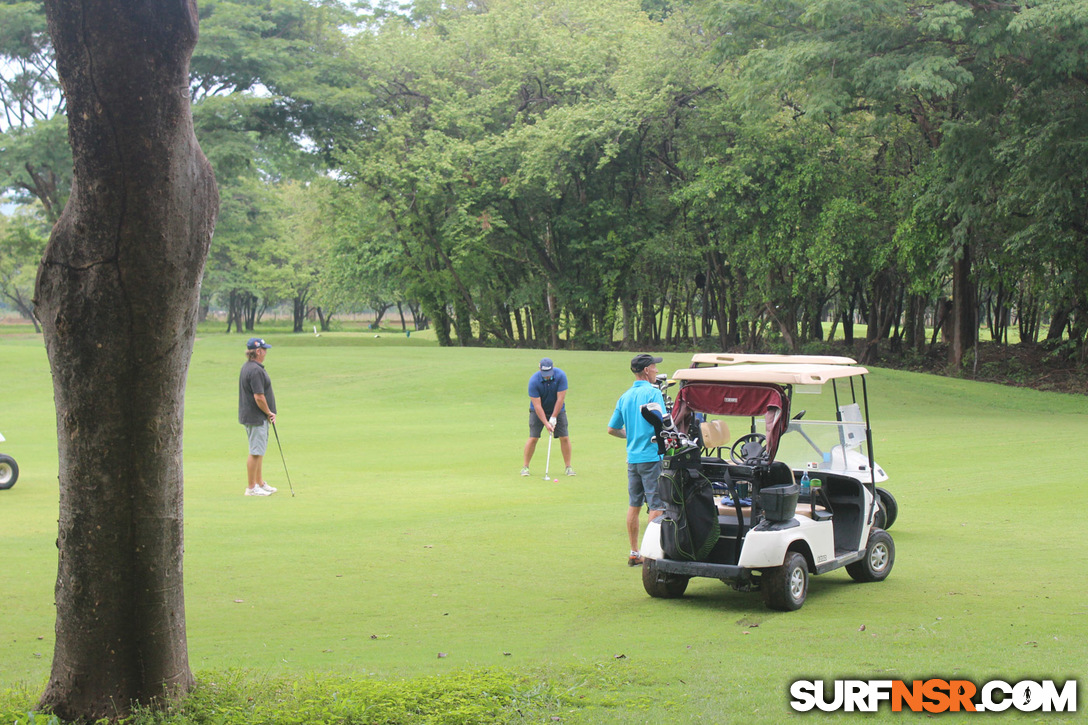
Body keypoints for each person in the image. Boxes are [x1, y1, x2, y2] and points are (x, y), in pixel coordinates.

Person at [607, 353, 666, 566]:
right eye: (654, 367)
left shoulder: (625, 396)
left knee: (634, 505)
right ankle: (650, 555)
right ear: (647, 370)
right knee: (657, 505)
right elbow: (664, 424)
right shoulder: (653, 393)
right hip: (652, 457)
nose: (657, 371)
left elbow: (612, 429)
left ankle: (634, 552)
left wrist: (630, 435)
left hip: (633, 459)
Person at [521, 357, 575, 477]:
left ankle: (568, 467)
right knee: (533, 437)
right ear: (539, 368)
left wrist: (554, 417)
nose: (547, 376)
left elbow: (561, 399)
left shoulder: (561, 376)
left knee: (564, 437)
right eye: (544, 374)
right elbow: (537, 406)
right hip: (538, 411)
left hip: (558, 409)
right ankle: (525, 467)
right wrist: (546, 423)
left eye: (549, 374)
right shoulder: (534, 381)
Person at [239, 337, 278, 496]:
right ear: (258, 351)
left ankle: (259, 483)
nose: (266, 352)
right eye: (264, 350)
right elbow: (259, 397)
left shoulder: (249, 367)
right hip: (255, 416)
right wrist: (269, 412)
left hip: (254, 416)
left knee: (259, 450)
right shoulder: (255, 370)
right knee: (255, 451)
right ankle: (251, 487)